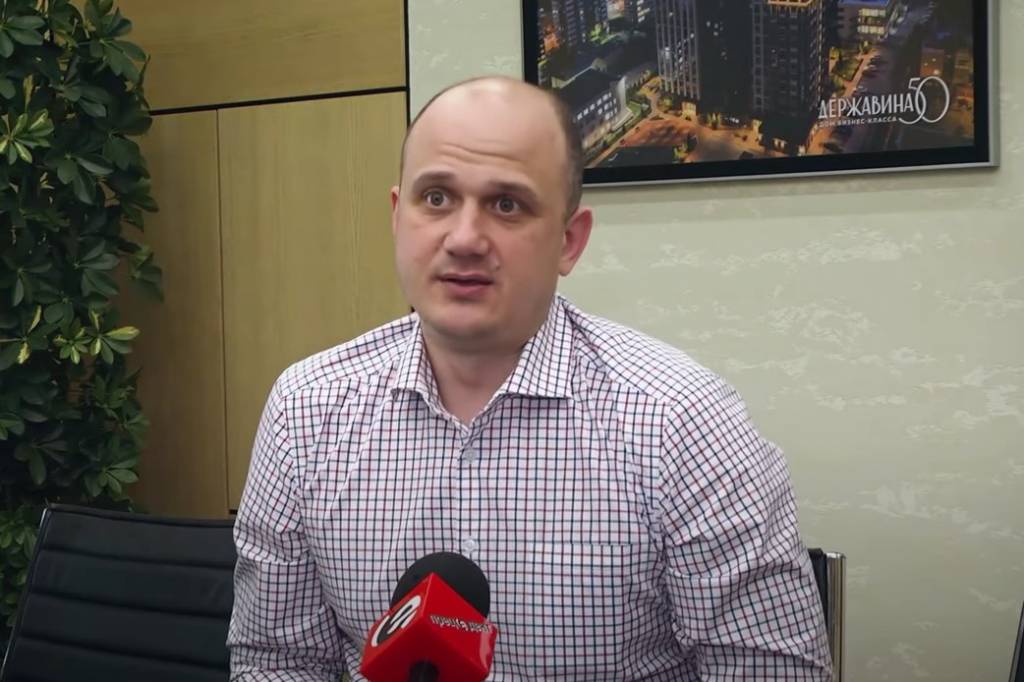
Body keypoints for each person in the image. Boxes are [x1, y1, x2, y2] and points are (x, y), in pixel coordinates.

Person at [228, 75, 833, 681]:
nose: (464, 239)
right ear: (396, 216)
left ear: (569, 242)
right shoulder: (305, 410)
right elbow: (277, 662)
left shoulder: (683, 421)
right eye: (435, 198)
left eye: (507, 205)